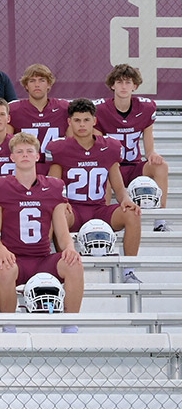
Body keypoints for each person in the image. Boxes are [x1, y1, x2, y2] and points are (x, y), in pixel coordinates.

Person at [0, 133, 84, 332]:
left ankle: (70, 323)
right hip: (15, 259)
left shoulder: (53, 186)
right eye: (19, 152)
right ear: (11, 157)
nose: (25, 155)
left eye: (29, 151)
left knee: (74, 263)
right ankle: (9, 325)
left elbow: (62, 234)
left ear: (37, 156)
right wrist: (2, 251)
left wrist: (71, 248)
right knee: (4, 268)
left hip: (42, 258)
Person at [46, 98, 142, 276]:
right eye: (77, 120)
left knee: (132, 214)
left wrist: (127, 200)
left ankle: (129, 271)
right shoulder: (60, 148)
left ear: (94, 121)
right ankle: (62, 266)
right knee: (57, 213)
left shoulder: (109, 147)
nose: (82, 124)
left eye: (86, 120)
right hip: (73, 210)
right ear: (69, 122)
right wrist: (61, 203)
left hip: (99, 209)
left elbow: (118, 187)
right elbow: (52, 187)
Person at [94, 64, 169, 229]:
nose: (123, 86)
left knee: (161, 166)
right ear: (112, 85)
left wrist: (152, 154)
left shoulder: (145, 107)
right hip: (113, 167)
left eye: (128, 82)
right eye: (119, 82)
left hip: (134, 166)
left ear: (135, 86)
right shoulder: (100, 109)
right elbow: (97, 147)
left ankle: (160, 220)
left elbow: (149, 146)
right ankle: (104, 222)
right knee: (102, 174)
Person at [8, 64, 69, 175]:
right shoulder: (14, 110)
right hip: (25, 167)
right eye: (32, 81)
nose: (37, 85)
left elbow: (72, 142)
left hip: (55, 168)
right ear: (26, 85)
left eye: (41, 80)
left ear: (49, 84)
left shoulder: (63, 108)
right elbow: (6, 143)